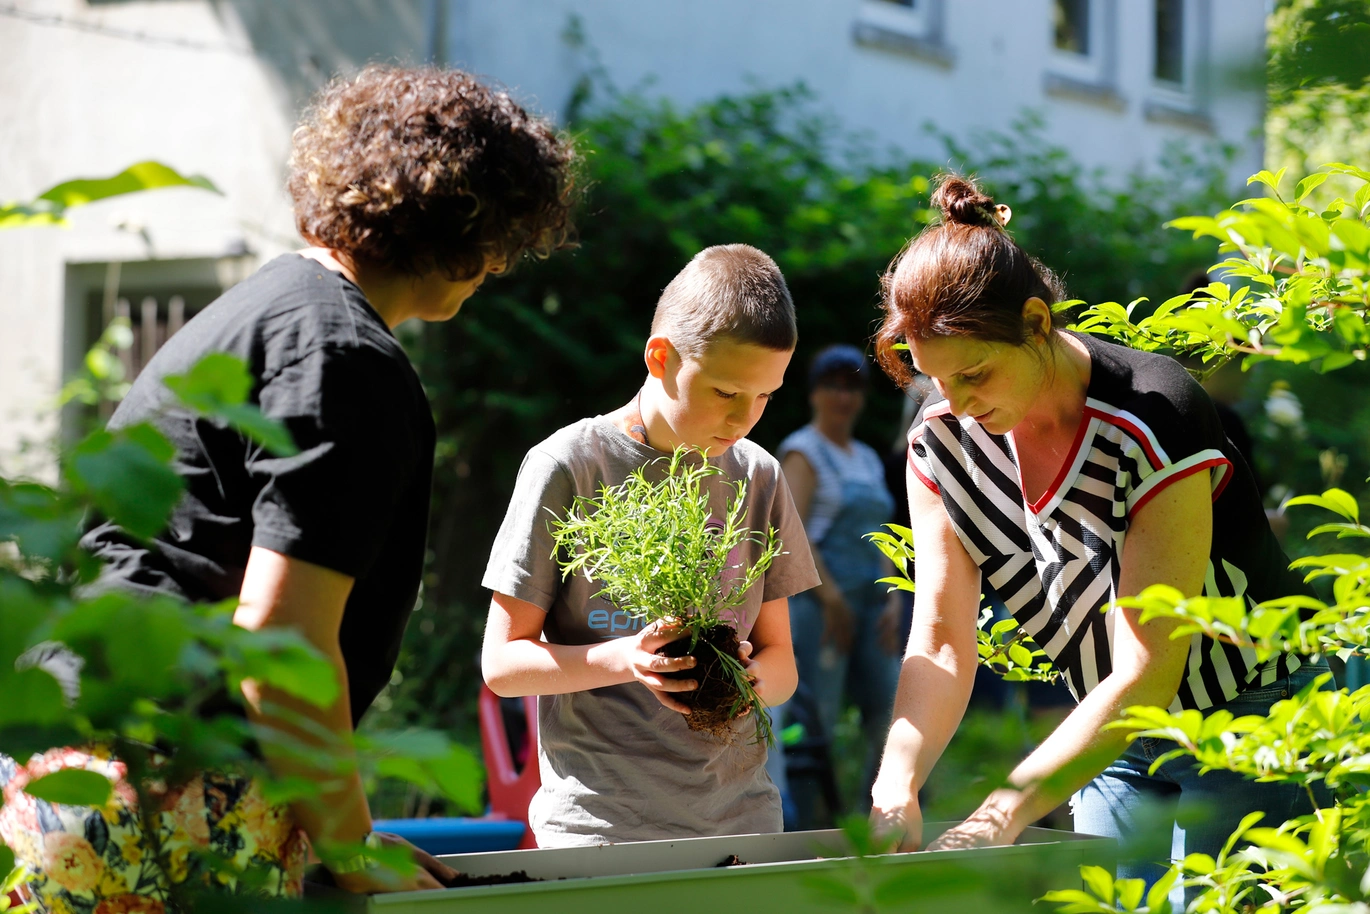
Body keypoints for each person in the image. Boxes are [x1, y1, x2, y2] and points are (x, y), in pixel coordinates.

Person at [0, 65, 577, 908]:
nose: (501, 267)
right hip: (169, 795)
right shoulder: (347, 362)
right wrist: (351, 846)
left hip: (68, 773)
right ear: (467, 226)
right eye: (506, 241)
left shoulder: (260, 311)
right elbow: (283, 640)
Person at [867, 175, 1326, 888]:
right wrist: (896, 781)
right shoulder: (941, 445)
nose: (955, 406)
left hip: (1249, 707)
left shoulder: (1154, 416)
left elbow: (1148, 669)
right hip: (1110, 723)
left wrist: (999, 812)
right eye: (936, 382)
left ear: (1036, 323)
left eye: (976, 375)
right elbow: (942, 641)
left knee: (1213, 900)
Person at [481, 244, 820, 848]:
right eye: (724, 392)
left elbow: (783, 662)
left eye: (765, 396)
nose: (745, 417)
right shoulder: (570, 465)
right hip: (599, 827)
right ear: (660, 358)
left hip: (740, 824)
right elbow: (503, 666)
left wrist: (750, 681)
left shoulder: (759, 476)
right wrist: (626, 659)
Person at [777, 345, 902, 827]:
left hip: (873, 606)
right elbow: (792, 534)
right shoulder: (802, 450)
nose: (843, 396)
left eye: (852, 387)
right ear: (814, 393)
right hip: (816, 606)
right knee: (815, 722)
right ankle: (808, 829)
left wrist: (895, 598)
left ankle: (874, 818)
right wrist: (831, 599)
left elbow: (887, 536)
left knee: (889, 713)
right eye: (833, 385)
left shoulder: (869, 458)